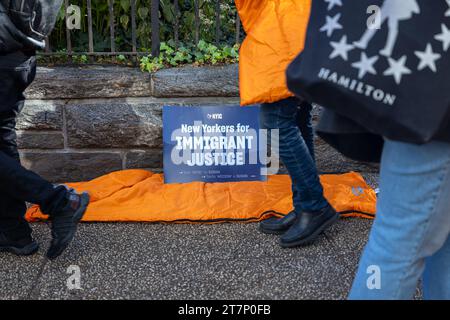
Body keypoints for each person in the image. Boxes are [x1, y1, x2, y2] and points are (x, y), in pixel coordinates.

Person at [235, 0, 339, 247]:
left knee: (276, 120)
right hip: (292, 23)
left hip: (289, 26)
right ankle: (305, 204)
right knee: (297, 117)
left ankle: (314, 206)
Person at [0, 0, 89, 259]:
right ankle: (13, 232)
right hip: (20, 48)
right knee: (3, 142)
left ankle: (59, 201)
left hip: (6, 44)